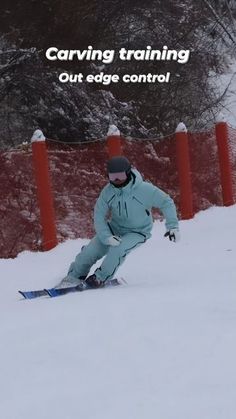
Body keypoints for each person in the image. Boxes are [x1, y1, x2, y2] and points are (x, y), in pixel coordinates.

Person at [58, 156, 180, 289]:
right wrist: (106, 237)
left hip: (137, 232)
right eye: (113, 177)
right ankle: (74, 276)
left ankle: (100, 278)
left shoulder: (145, 189)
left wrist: (172, 227)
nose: (117, 180)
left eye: (120, 176)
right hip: (114, 229)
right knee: (89, 252)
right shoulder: (108, 192)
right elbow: (99, 214)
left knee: (117, 250)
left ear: (128, 173)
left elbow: (166, 202)